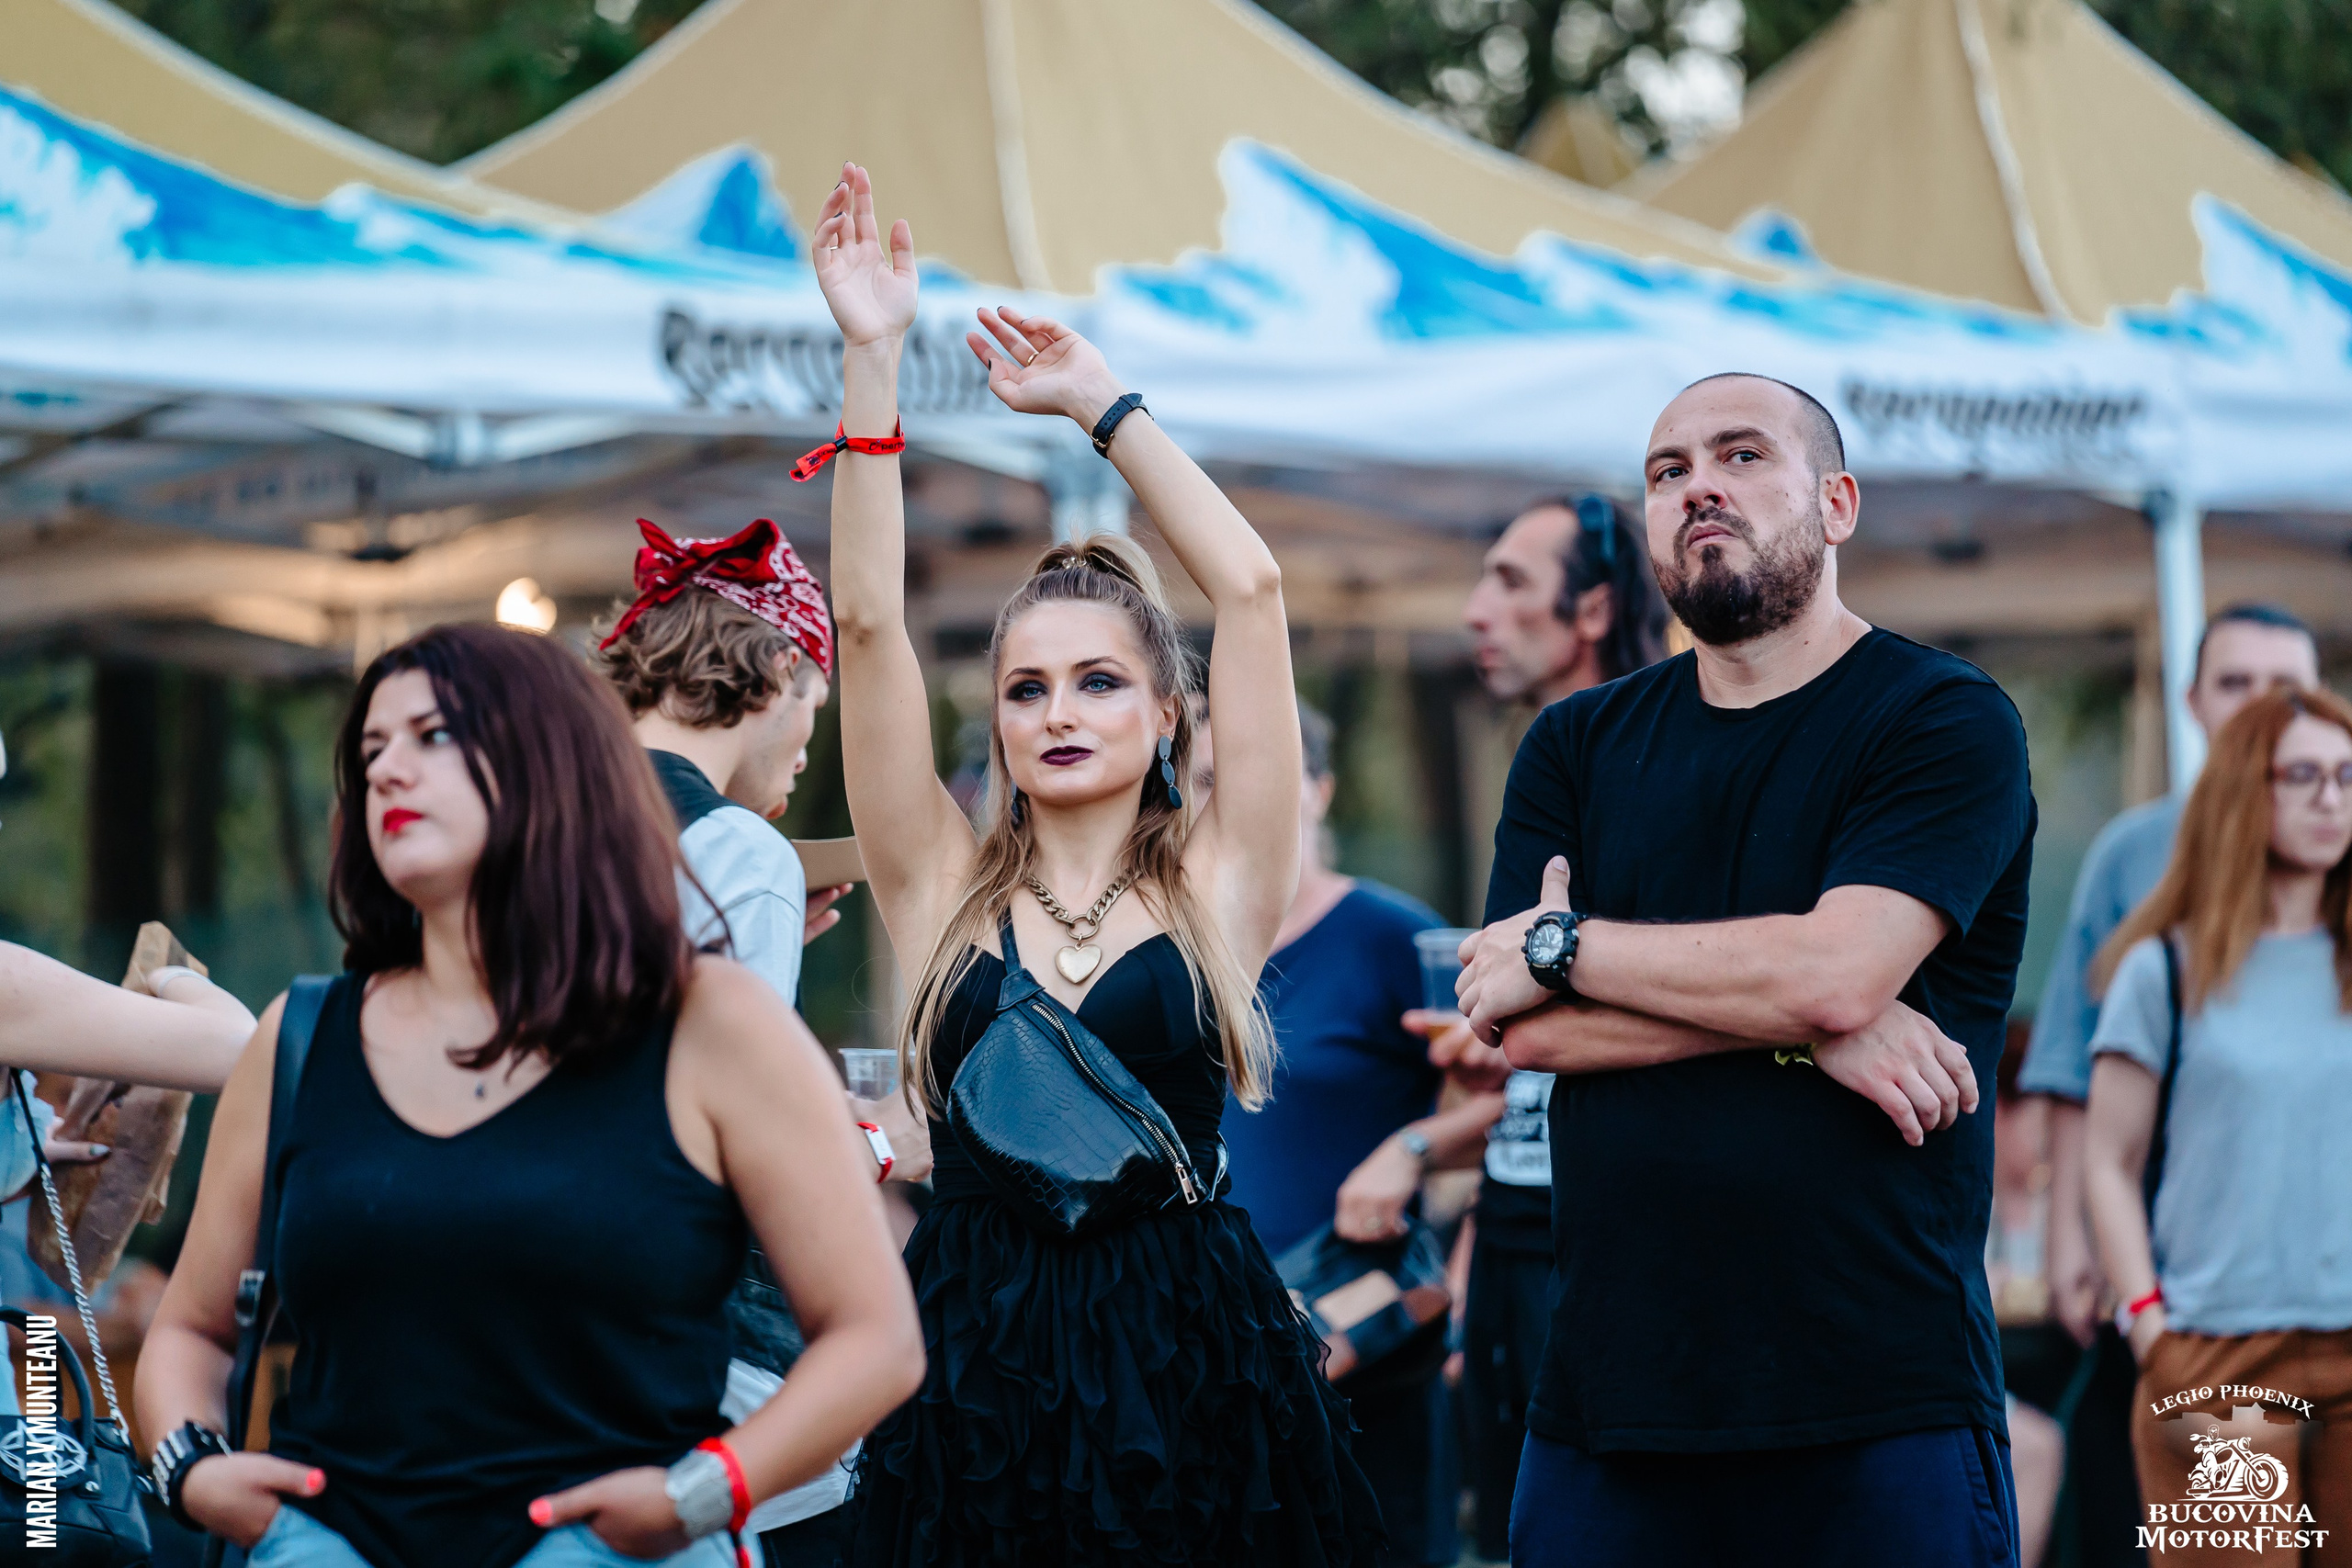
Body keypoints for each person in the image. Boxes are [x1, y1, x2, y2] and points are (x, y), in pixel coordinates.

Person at [809, 163, 1380, 1566]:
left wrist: (1104, 408)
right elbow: (870, 628)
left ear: (1166, 711)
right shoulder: (940, 884)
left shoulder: (1225, 878)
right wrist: (870, 359)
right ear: (995, 722)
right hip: (971, 1344)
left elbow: (1247, 587)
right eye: (1026, 689)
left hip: (1190, 1350)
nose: (1058, 712)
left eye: (1098, 683)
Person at [134, 623, 922, 1568]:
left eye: (433, 737)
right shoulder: (299, 1037)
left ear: (554, 763)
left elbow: (876, 1339)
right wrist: (189, 1468)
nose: (388, 770)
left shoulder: (710, 1027)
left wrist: (700, 1493)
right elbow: (188, 1328)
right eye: (372, 749)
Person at [1456, 372, 2035, 1567]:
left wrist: (1570, 950)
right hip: (1610, 1413)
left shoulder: (1942, 717)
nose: (1698, 484)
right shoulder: (1576, 743)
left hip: (1878, 1402)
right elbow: (1520, 1030)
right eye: (1668, 470)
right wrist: (1815, 1024)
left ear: (1838, 504)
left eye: (1740, 455)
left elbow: (1834, 968)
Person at [595, 521, 933, 1568]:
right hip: (687, 1351)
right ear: (783, 667)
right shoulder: (739, 849)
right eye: (816, 710)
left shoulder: (544, 820)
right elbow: (723, 1127)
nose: (806, 744)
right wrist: (878, 1150)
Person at [2019, 605, 2316, 1564]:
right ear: (2191, 702)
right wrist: (2076, 1235)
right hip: (2174, 1265)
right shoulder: (2134, 856)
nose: (2262, 709)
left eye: (2286, 687)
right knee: (2157, 1516)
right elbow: (2072, 1054)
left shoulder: (2334, 857)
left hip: (2310, 1263)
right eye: (2236, 683)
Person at [1439, 492, 1668, 1561]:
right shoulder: (1548, 759)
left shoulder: (1665, 763)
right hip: (1521, 1229)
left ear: (1592, 610)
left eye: (1511, 581)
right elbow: (1504, 1020)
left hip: (1637, 1246)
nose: (1477, 610)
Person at [2083, 686, 2352, 1566]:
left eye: (2349, 778)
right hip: (2218, 1362)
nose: (2332, 799)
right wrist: (2151, 1327)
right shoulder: (2163, 968)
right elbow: (2107, 1162)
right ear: (2245, 791)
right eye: (2304, 775)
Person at [1222, 700, 1453, 1567]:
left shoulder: (1394, 936)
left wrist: (1412, 1150)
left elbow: (1509, 1098)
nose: (1229, 800)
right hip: (1217, 1359)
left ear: (1317, 789)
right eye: (1204, 780)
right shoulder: (1173, 948)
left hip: (1359, 1340)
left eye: (1258, 775)